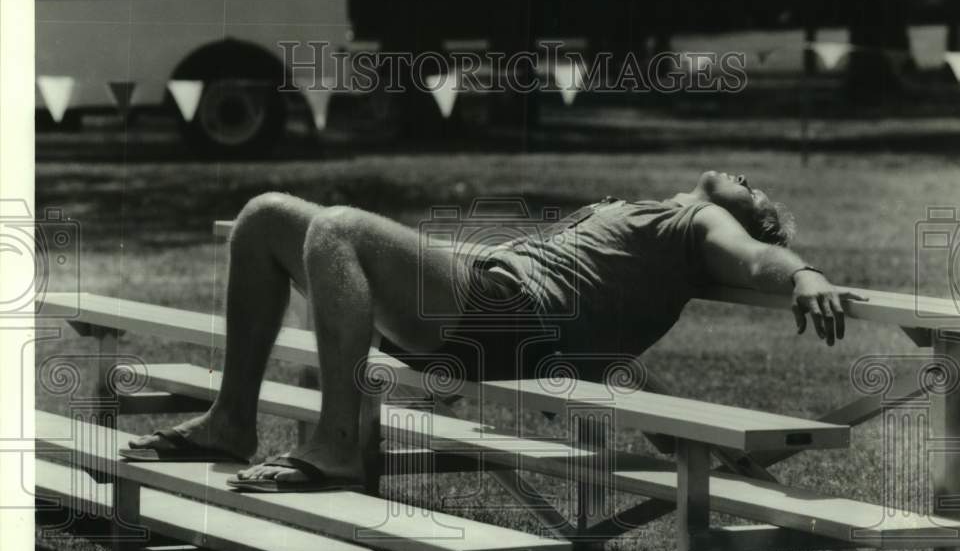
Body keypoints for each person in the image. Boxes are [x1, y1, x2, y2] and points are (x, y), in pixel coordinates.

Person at [121, 170, 865, 491]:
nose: (745, 176)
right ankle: (231, 421)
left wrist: (802, 273)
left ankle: (339, 443)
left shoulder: (695, 221)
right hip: (490, 305)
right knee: (263, 219)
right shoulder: (646, 210)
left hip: (510, 320)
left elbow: (760, 256)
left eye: (757, 191)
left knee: (337, 229)